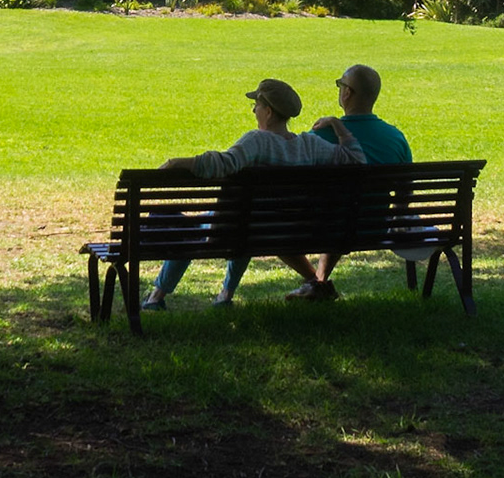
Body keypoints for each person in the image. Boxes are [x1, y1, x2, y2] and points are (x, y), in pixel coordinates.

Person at [141, 78, 362, 310]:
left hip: (244, 229)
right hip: (284, 232)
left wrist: (180, 162)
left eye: (256, 106)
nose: (254, 111)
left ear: (268, 111)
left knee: (199, 228)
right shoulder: (311, 145)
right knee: (244, 221)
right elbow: (357, 160)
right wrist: (338, 125)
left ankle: (156, 297)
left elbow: (224, 164)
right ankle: (225, 295)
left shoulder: (257, 141)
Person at [286, 63, 414, 300]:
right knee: (346, 211)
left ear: (347, 93)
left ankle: (315, 282)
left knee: (325, 215)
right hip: (373, 227)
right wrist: (398, 214)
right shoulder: (396, 138)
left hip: (322, 228)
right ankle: (320, 282)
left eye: (340, 84)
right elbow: (405, 189)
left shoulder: (320, 136)